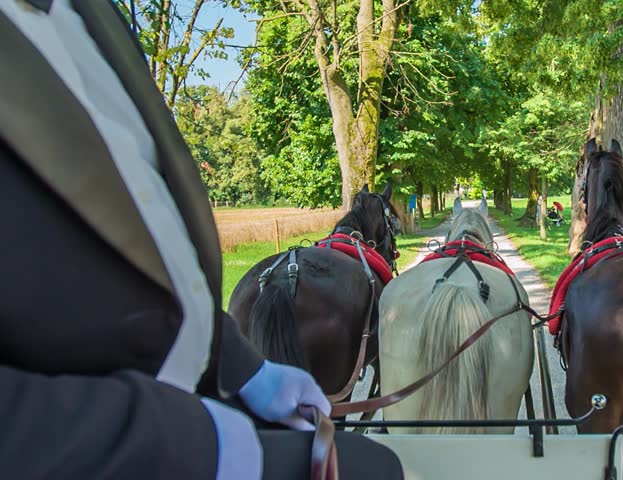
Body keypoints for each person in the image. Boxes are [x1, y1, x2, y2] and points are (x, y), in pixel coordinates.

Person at [0, 1, 402, 478]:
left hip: (211, 391)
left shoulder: (94, 14)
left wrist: (247, 368)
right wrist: (201, 443)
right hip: (120, 444)